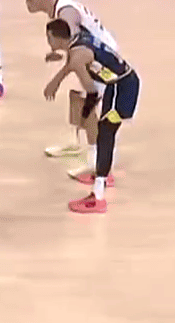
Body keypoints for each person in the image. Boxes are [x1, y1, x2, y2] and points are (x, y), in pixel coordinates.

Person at [44, 18, 140, 214]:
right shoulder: (79, 39)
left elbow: (91, 90)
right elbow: (74, 62)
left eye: (49, 38)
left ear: (55, 37)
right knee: (104, 133)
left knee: (105, 134)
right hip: (118, 84)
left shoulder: (77, 57)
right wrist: (57, 80)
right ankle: (101, 174)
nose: (48, 41)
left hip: (122, 89)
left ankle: (98, 195)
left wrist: (87, 109)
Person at [21, 0, 119, 165]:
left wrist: (56, 81)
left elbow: (77, 54)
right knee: (75, 96)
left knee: (87, 102)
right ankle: (76, 143)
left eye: (30, 0)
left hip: (103, 58)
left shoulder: (66, 15)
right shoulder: (57, 3)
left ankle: (96, 159)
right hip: (92, 52)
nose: (27, 5)